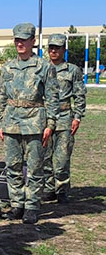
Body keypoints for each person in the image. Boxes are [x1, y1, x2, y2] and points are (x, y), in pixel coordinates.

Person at [0, 23, 59, 224]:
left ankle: (31, 206)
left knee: (34, 167)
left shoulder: (44, 67)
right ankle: (17, 204)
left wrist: (50, 123)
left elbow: (52, 97)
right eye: (17, 40)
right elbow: (1, 96)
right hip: (12, 122)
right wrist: (0, 122)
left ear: (33, 41)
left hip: (35, 122)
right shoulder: (7, 67)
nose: (20, 43)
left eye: (24, 40)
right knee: (12, 166)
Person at [43, 33, 86, 203]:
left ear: (63, 50)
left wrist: (77, 117)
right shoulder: (42, 68)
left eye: (57, 48)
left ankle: (62, 189)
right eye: (51, 47)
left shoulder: (72, 70)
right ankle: (48, 188)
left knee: (61, 159)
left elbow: (80, 95)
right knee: (44, 157)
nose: (53, 51)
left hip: (64, 117)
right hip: (45, 118)